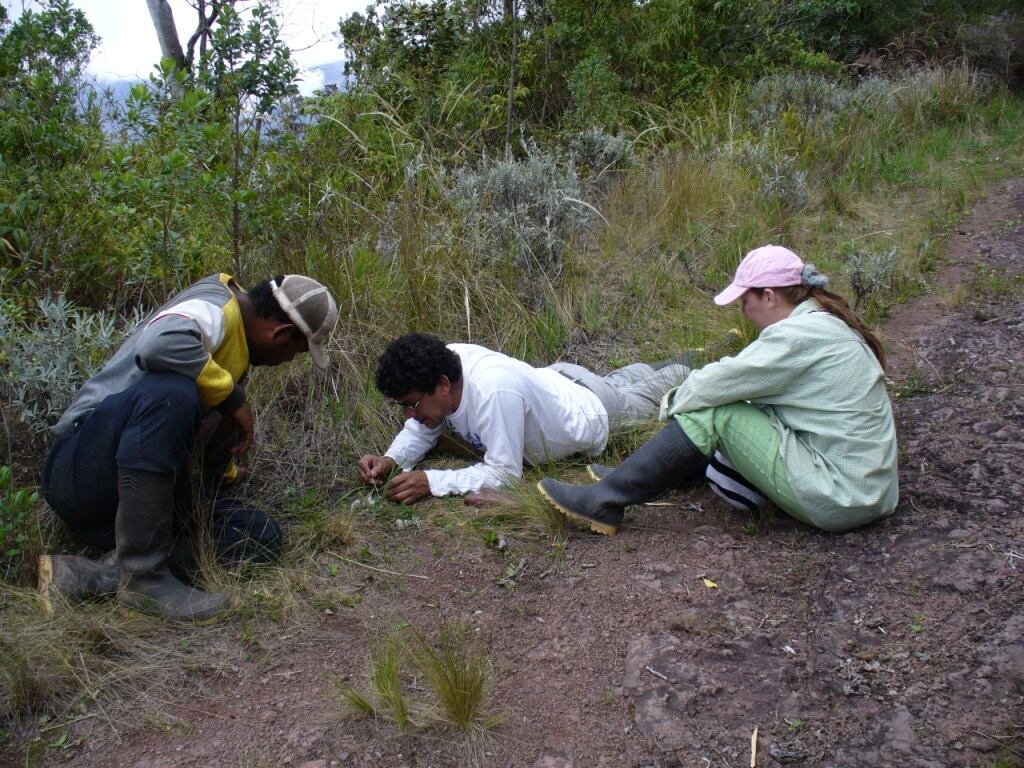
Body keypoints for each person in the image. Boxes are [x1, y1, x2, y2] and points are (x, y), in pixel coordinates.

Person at [538, 244, 898, 535]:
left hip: (840, 496)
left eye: (746, 301)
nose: (743, 310)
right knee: (733, 406)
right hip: (869, 492)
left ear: (770, 296)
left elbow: (714, 384)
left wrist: (671, 404)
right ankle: (637, 477)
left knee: (716, 409)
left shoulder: (795, 336)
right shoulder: (825, 323)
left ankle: (605, 500)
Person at [39, 273, 339, 621]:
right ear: (281, 334)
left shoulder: (234, 350)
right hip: (80, 473)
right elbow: (157, 344)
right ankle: (143, 577)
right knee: (171, 393)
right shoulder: (215, 308)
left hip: (132, 505)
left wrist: (223, 472)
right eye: (298, 351)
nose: (289, 360)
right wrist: (232, 397)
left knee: (257, 536)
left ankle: (91, 575)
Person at [357, 333, 692, 504]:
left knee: (671, 385)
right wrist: (392, 459)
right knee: (625, 380)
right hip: (564, 382)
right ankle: (665, 366)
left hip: (598, 412)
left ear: (442, 386)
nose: (409, 415)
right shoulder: (445, 365)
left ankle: (700, 364)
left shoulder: (492, 392)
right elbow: (421, 429)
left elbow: (505, 471)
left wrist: (432, 481)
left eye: (412, 404)